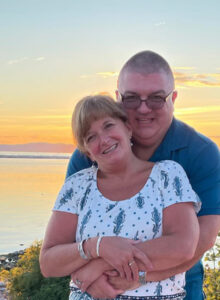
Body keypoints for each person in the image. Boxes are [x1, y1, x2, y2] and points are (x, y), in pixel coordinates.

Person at [66, 51, 220, 300]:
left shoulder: (201, 153)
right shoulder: (88, 155)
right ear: (118, 98)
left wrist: (130, 276)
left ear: (174, 98)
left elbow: (202, 240)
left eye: (157, 98)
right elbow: (67, 236)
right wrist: (85, 276)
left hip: (177, 286)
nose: (144, 108)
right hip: (97, 287)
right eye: (132, 99)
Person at [40, 95, 200, 300]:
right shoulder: (77, 186)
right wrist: (96, 246)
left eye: (108, 126)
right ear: (87, 152)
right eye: (91, 137)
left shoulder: (167, 175)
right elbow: (48, 263)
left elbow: (183, 246)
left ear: (128, 128)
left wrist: (101, 263)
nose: (104, 140)